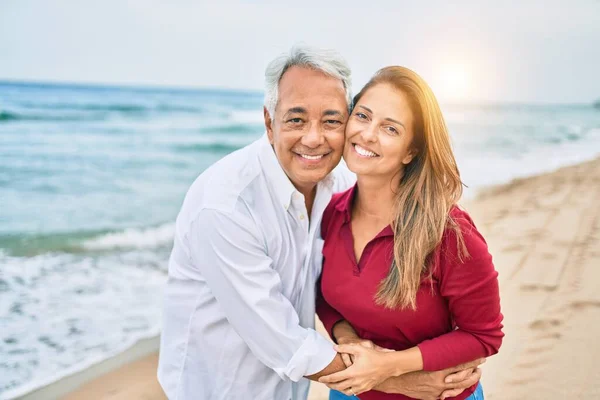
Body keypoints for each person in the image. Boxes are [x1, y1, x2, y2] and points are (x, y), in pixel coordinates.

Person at [158, 47, 484, 400]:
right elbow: (279, 339)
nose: (313, 139)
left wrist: (366, 347)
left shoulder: (341, 192)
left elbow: (326, 290)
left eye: (331, 121)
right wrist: (398, 381)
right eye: (296, 120)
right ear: (270, 123)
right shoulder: (225, 206)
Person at [316, 66, 504, 400]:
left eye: (390, 128)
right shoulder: (330, 214)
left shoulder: (450, 234)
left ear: (410, 151)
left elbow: (483, 335)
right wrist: (347, 339)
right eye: (363, 116)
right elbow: (321, 292)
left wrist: (390, 366)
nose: (368, 134)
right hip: (352, 393)